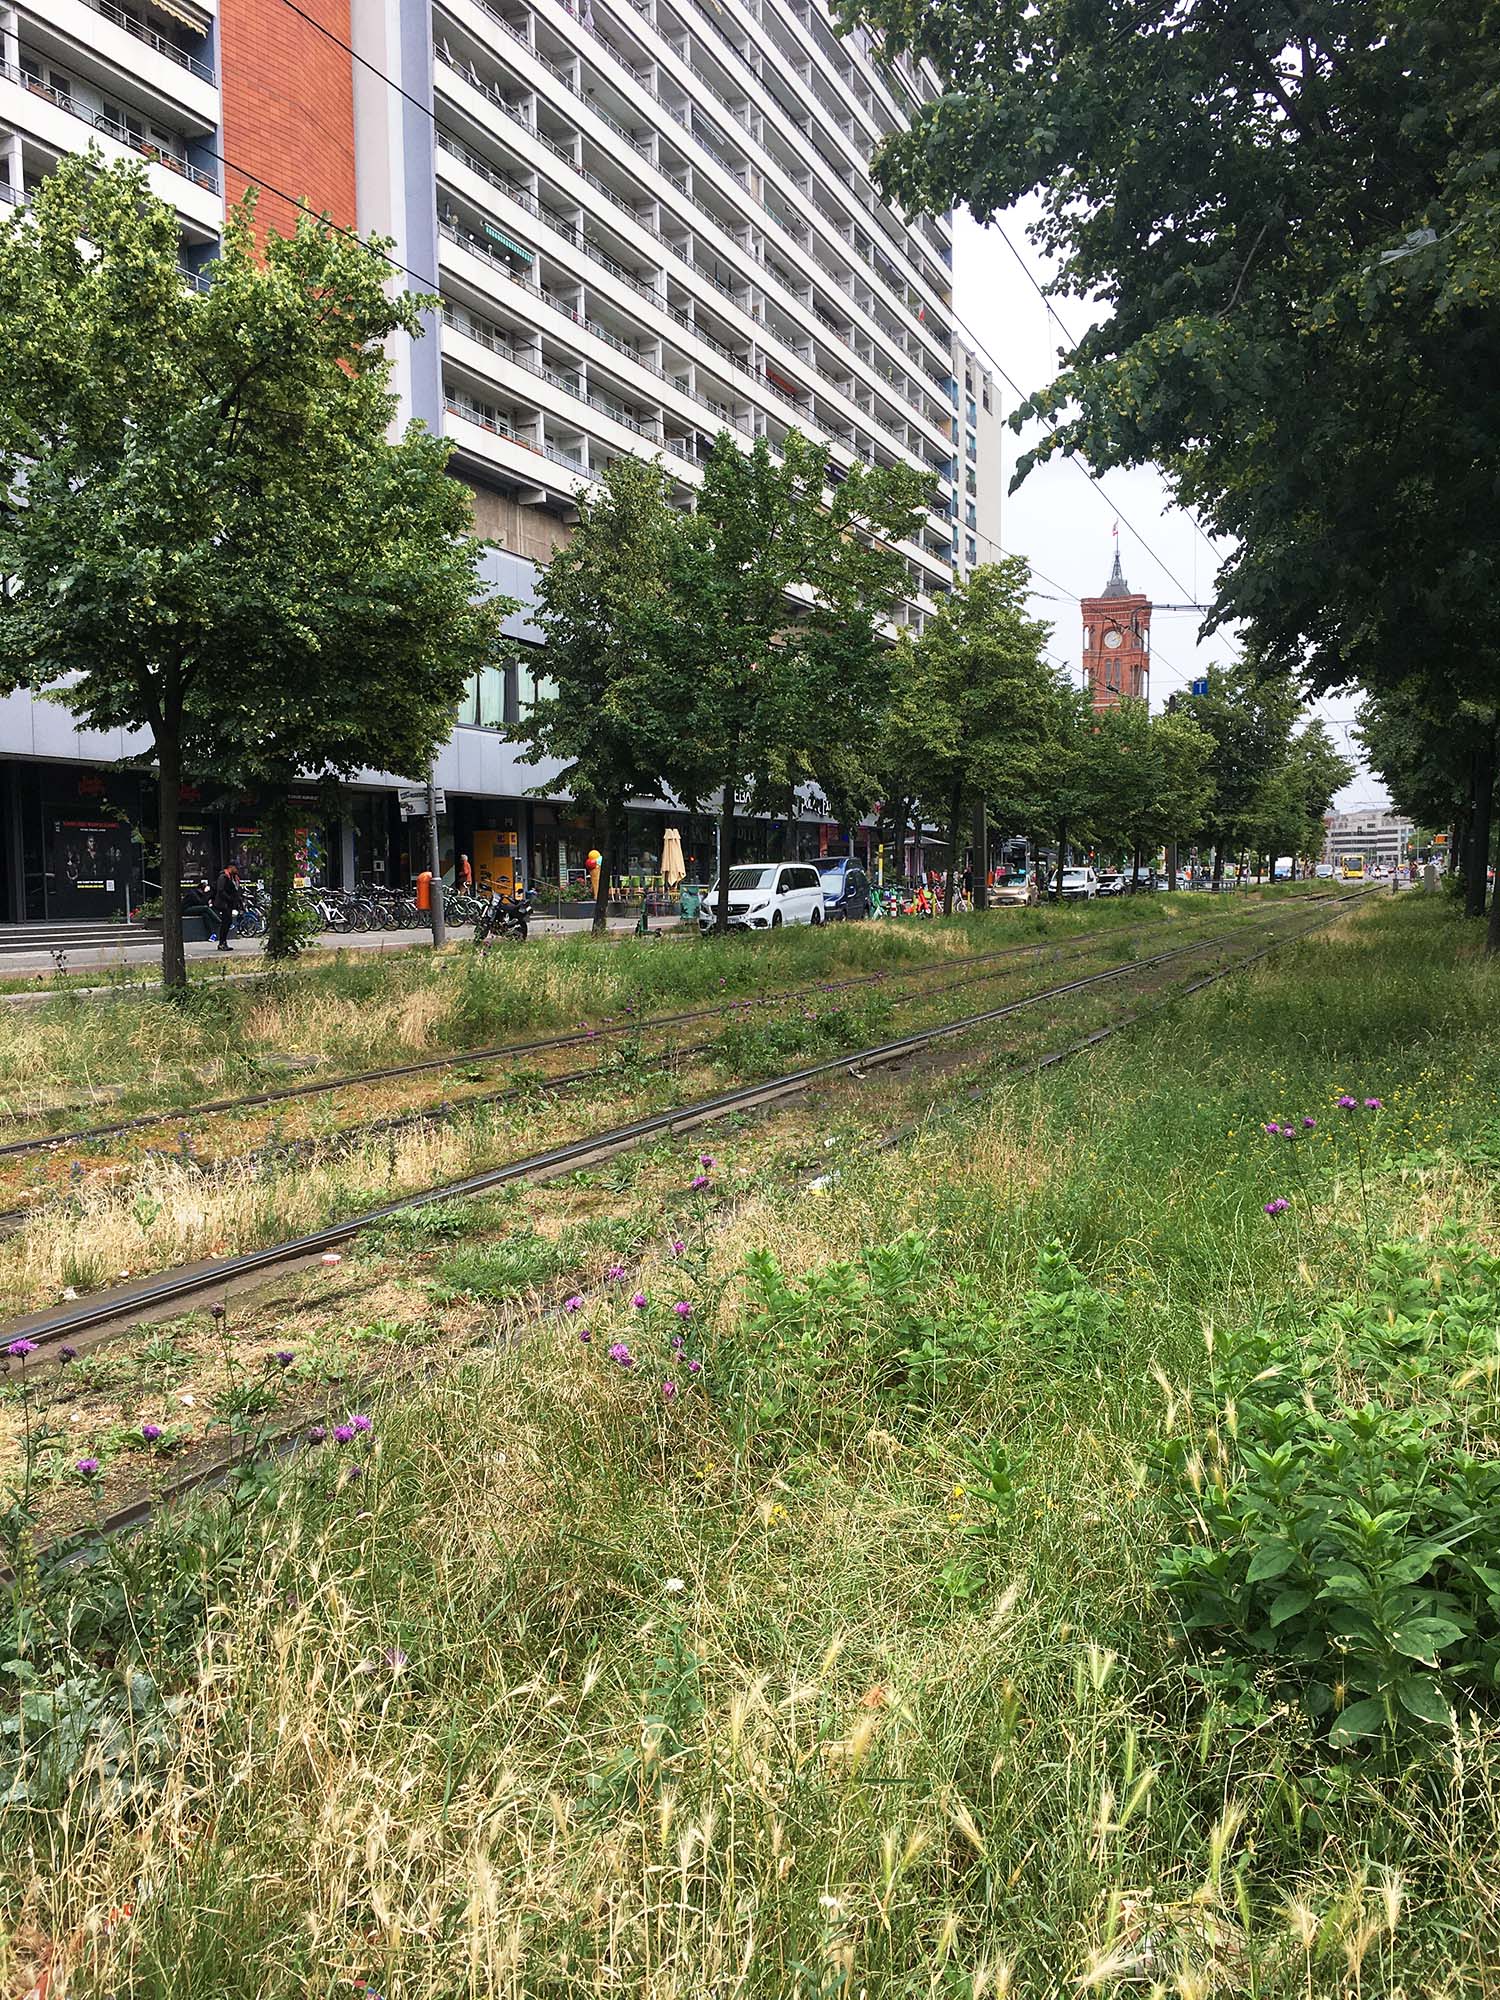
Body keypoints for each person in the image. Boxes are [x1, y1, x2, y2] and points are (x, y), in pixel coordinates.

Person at [211, 863, 244, 951]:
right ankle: (222, 943)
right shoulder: (223, 877)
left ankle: (223, 942)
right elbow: (220, 890)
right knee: (226, 922)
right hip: (224, 904)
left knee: (228, 922)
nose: (237, 870)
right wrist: (229, 898)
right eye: (235, 868)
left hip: (229, 904)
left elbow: (235, 891)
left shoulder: (234, 877)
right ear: (230, 867)